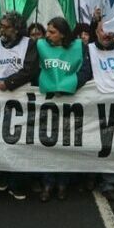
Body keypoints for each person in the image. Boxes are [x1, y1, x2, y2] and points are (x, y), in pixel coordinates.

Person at [36, 17, 91, 201]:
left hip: (70, 102)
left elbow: (86, 71)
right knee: (48, 142)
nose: (48, 35)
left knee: (65, 142)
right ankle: (48, 183)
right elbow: (34, 70)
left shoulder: (79, 47)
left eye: (52, 32)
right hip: (48, 103)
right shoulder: (40, 46)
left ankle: (62, 183)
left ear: (63, 34)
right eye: (47, 31)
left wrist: (70, 85)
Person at [0, 12, 40, 200]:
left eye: (5, 26)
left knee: (19, 142)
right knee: (0, 140)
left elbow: (30, 69)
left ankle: (17, 183)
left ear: (17, 28)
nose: (2, 29)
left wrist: (9, 82)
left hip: (21, 102)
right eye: (1, 26)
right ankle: (2, 177)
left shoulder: (29, 44)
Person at [86, 19, 114, 202]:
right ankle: (89, 175)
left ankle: (109, 183)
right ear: (96, 32)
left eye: (111, 30)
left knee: (113, 145)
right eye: (103, 29)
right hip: (91, 107)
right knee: (91, 142)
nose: (107, 34)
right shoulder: (87, 50)